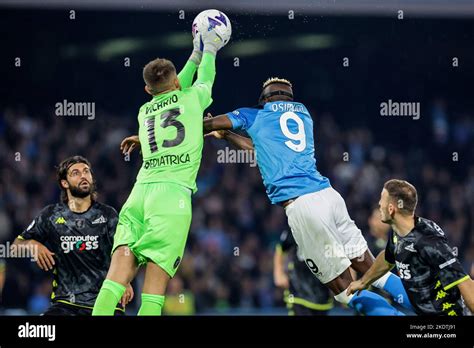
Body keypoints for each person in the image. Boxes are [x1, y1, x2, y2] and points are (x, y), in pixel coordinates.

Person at [125, 77, 411, 315]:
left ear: (264, 98)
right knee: (374, 270)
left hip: (303, 207)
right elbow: (265, 150)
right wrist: (231, 138)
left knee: (345, 290)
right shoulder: (303, 115)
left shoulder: (253, 115)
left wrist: (149, 137)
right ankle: (426, 310)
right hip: (329, 196)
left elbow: (201, 126)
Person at [92, 29, 224, 315]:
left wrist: (195, 54)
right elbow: (204, 79)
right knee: (154, 289)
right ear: (176, 82)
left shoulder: (144, 111)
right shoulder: (191, 100)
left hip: (139, 194)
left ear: (147, 91)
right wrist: (209, 49)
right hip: (170, 198)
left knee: (115, 280)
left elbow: (172, 89)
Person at [12, 156, 133, 315]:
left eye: (86, 171)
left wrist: (125, 280)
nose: (83, 176)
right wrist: (33, 244)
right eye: (75, 173)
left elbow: (123, 251)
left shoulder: (108, 215)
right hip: (65, 304)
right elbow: (15, 247)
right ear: (64, 183)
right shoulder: (51, 215)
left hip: (106, 302)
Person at [348, 179, 474, 316]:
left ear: (391, 209)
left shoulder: (428, 241)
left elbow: (464, 282)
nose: (379, 204)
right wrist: (363, 281)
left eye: (382, 200)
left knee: (366, 305)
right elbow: (388, 257)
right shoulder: (399, 231)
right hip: (421, 304)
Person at [274, 230, 333, 315]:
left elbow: (341, 256)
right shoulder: (296, 225)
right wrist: (278, 274)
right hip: (298, 291)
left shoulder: (328, 228)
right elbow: (281, 248)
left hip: (322, 296)